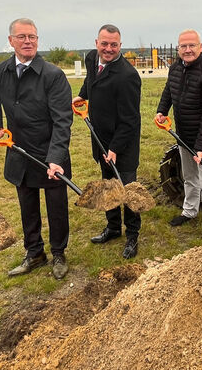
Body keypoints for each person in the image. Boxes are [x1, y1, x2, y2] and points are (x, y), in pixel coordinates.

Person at [0, 18, 73, 279]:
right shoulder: (0, 71)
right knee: (27, 206)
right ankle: (34, 252)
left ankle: (58, 253)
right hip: (18, 153)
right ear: (11, 41)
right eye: (22, 37)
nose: (28, 42)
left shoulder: (53, 75)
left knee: (56, 207)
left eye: (32, 37)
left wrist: (55, 158)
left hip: (49, 155)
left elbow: (62, 120)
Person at [72, 24, 142, 259]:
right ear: (96, 43)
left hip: (123, 144)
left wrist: (114, 148)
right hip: (100, 139)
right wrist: (82, 95)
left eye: (114, 45)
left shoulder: (127, 76)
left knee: (127, 189)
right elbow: (91, 81)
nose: (109, 49)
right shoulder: (92, 58)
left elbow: (130, 120)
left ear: (121, 45)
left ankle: (132, 236)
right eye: (104, 44)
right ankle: (113, 228)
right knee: (108, 187)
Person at [155, 29, 202, 242]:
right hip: (184, 135)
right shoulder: (176, 67)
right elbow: (170, 89)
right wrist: (162, 110)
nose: (187, 50)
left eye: (191, 46)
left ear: (200, 47)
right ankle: (189, 211)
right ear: (178, 48)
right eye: (183, 46)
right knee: (189, 178)